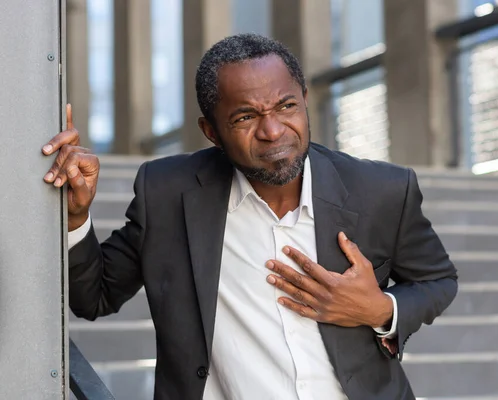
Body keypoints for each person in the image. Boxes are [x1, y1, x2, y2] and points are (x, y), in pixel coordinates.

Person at [43, 34, 457, 400]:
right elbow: (94, 297)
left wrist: (381, 309)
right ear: (211, 131)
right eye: (245, 117)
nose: (273, 130)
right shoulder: (168, 193)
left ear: (304, 100)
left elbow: (438, 280)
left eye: (286, 106)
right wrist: (76, 216)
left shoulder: (381, 189)